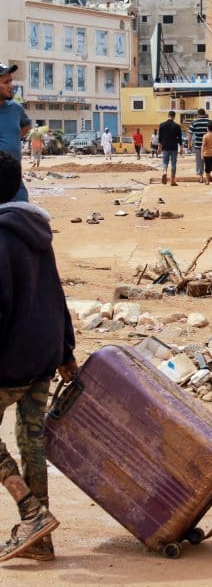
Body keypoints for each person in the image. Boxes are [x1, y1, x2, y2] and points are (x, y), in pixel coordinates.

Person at [0, 151, 77, 562]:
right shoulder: (36, 230)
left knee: (25, 440)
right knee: (30, 440)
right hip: (43, 353)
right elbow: (56, 290)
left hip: (10, 360)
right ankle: (41, 541)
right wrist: (66, 350)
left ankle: (31, 512)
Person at [0, 63, 31, 201]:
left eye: (11, 81)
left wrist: (12, 139)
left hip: (16, 184)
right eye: (6, 82)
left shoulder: (16, 109)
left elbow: (26, 125)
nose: (11, 86)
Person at [158, 110, 183, 186]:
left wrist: (159, 147)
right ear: (174, 117)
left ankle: (164, 172)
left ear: (168, 115)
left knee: (165, 162)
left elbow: (160, 137)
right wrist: (181, 148)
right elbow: (180, 138)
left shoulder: (162, 125)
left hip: (165, 147)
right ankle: (172, 181)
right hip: (174, 147)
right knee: (173, 163)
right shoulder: (177, 126)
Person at [189, 108, 211, 182]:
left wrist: (189, 143)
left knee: (199, 161)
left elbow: (190, 133)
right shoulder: (209, 121)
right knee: (208, 161)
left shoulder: (195, 122)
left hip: (198, 145)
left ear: (198, 114)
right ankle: (208, 176)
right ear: (204, 113)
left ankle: (201, 177)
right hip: (209, 146)